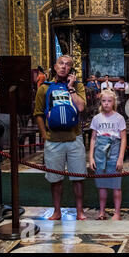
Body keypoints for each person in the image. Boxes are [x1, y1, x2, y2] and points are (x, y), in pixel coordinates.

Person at [33, 55, 87, 220]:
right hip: (53, 140)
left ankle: (80, 211)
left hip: (74, 138)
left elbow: (81, 107)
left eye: (68, 65)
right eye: (61, 63)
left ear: (71, 69)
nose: (64, 67)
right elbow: (38, 113)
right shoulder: (44, 88)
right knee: (55, 179)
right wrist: (44, 135)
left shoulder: (78, 86)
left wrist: (71, 88)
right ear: (55, 67)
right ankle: (57, 211)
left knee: (77, 178)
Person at [89, 89, 126, 221]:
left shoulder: (119, 118)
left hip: (114, 152)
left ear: (114, 102)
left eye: (109, 101)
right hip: (100, 153)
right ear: (100, 102)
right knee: (102, 184)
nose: (106, 104)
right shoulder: (96, 118)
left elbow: (123, 139)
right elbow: (93, 138)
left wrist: (120, 158)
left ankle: (117, 212)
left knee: (116, 185)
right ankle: (102, 211)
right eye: (103, 101)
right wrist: (91, 157)